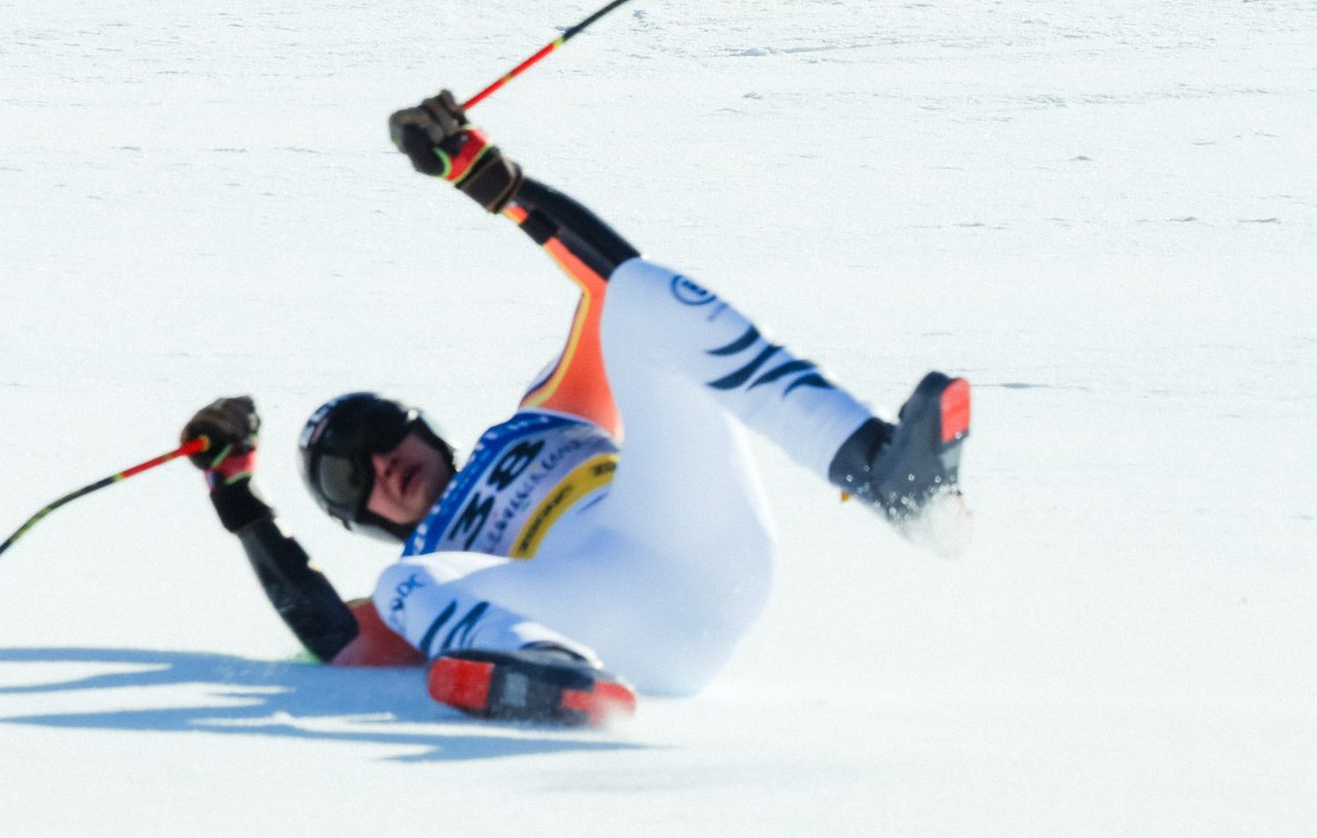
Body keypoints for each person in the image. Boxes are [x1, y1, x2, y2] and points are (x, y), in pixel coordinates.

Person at [182, 91, 971, 726]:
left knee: (644, 292)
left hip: (695, 546)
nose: (381, 462)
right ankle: (539, 669)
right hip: (594, 617)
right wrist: (233, 493)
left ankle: (887, 475)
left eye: (381, 433)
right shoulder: (430, 565)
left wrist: (489, 178)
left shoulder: (545, 411)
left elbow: (608, 284)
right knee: (404, 582)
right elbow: (337, 638)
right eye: (349, 475)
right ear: (357, 514)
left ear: (420, 425)